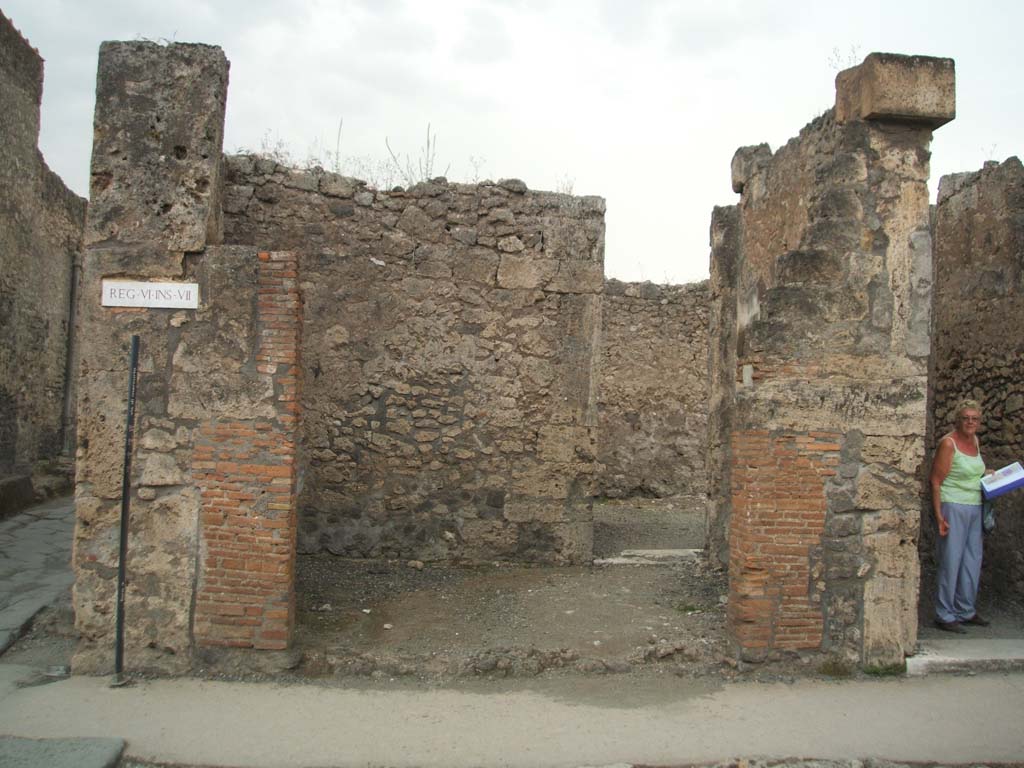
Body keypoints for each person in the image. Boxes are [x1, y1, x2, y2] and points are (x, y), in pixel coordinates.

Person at [930, 399, 993, 633]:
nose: (970, 422)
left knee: (972, 560)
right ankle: (944, 614)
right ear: (958, 419)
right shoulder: (949, 444)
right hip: (953, 505)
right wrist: (939, 516)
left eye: (974, 418)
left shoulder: (975, 441)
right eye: (966, 418)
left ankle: (965, 609)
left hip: (974, 506)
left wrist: (988, 474)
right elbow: (935, 481)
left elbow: (971, 472)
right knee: (951, 560)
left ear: (979, 421)